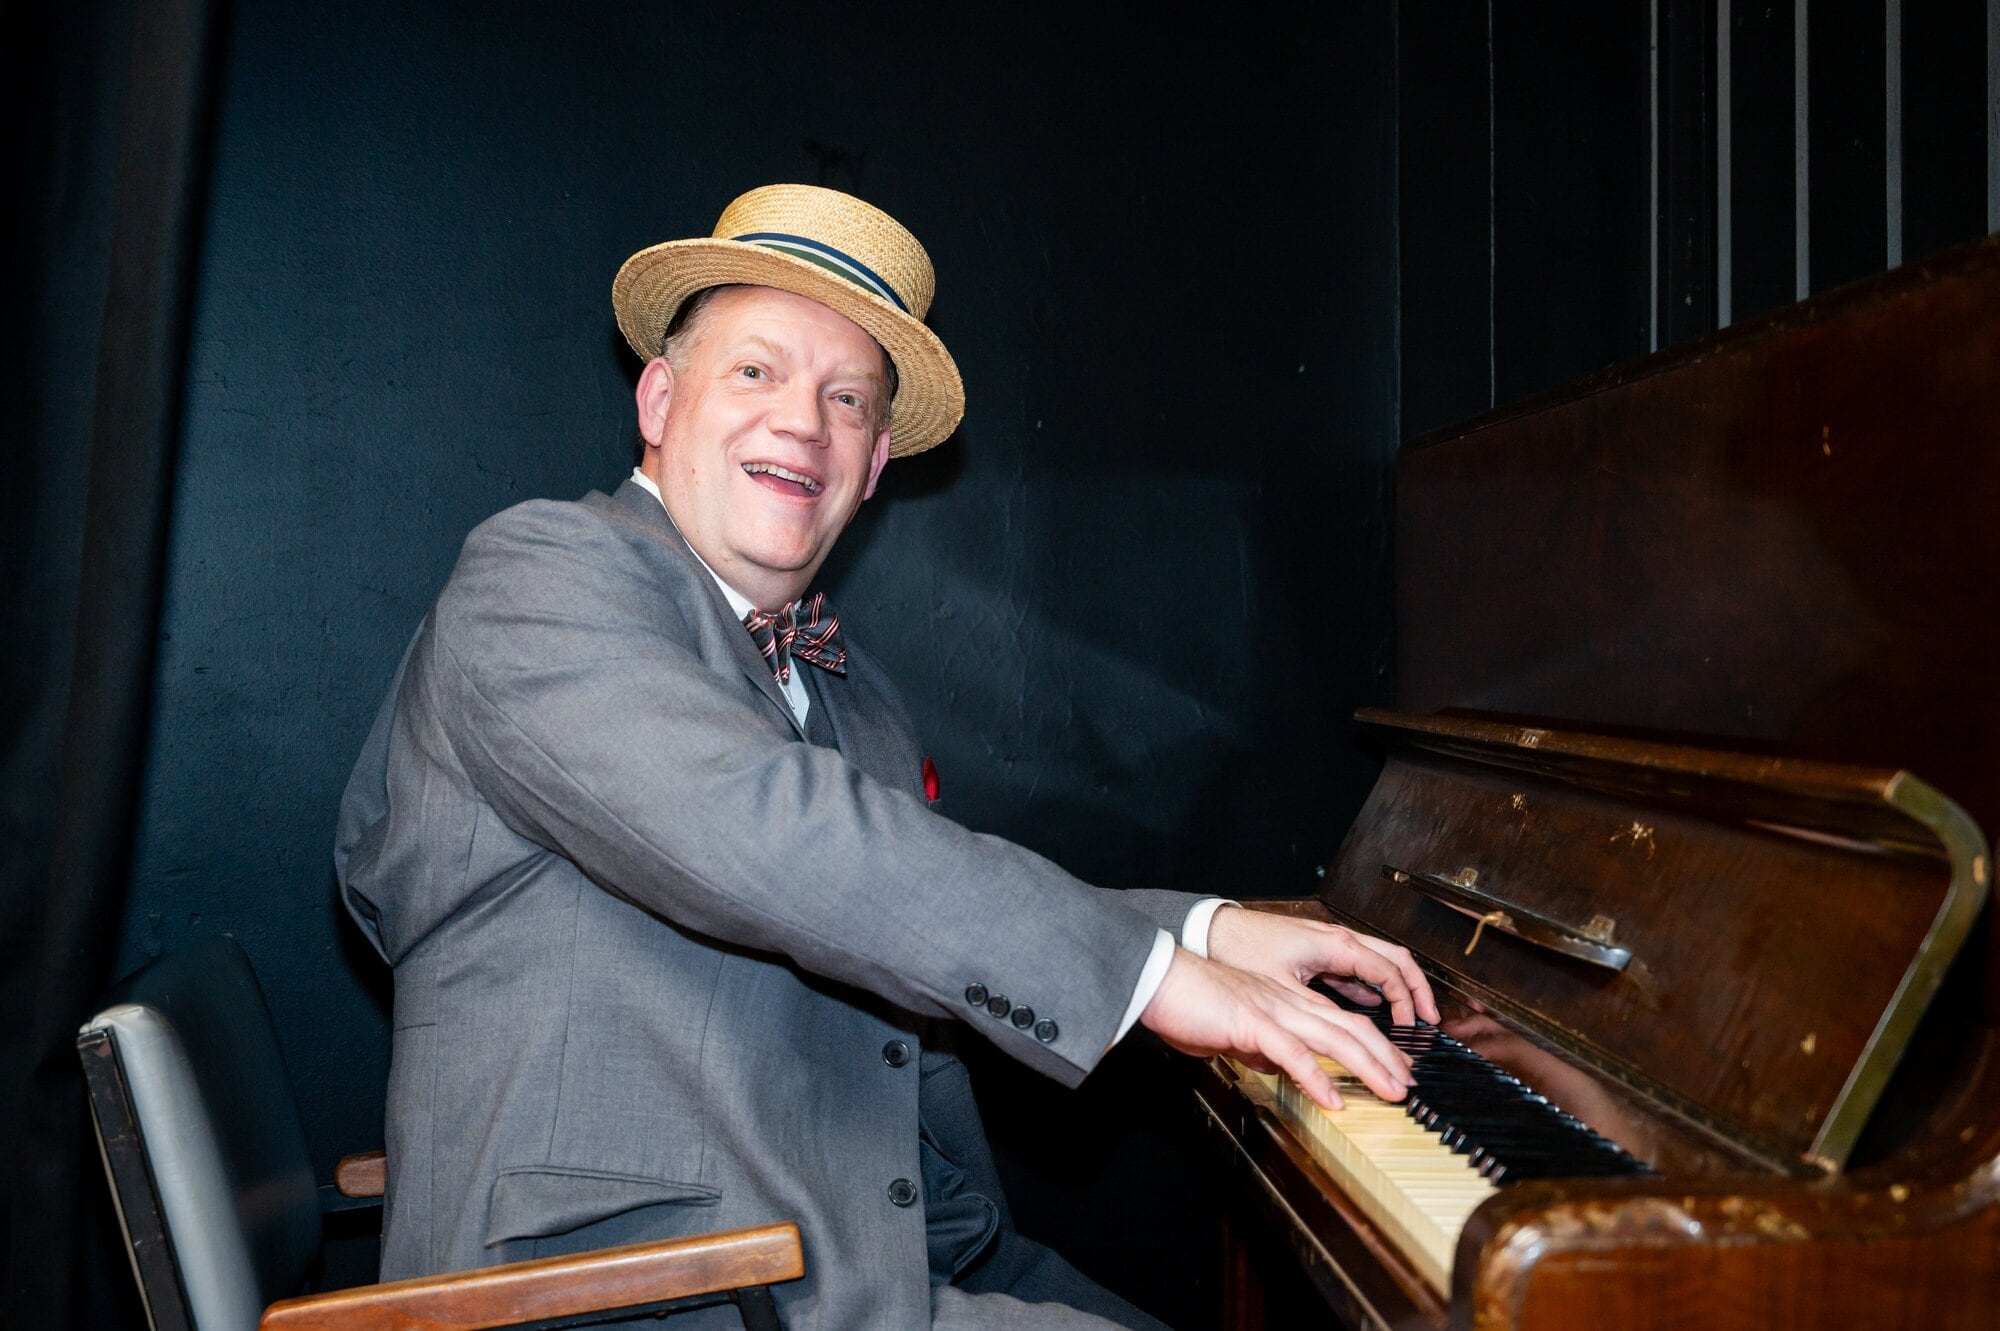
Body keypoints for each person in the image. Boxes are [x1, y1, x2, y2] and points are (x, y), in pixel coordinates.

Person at [335, 184, 1438, 1329]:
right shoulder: (538, 575)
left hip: (875, 1244)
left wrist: (1202, 926)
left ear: (871, 465)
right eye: (756, 371)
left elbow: (901, 886)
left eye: (846, 398)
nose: (802, 422)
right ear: (660, 399)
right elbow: (774, 836)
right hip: (633, 1287)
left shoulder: (845, 684)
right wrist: (1151, 981)